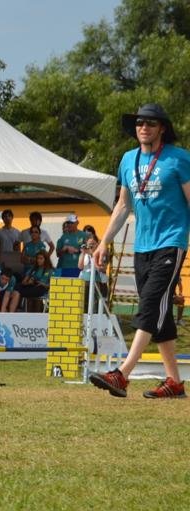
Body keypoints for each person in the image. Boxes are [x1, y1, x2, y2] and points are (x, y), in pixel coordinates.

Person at [90, 103, 190, 398]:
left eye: (150, 123)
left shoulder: (179, 159)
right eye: (139, 123)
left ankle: (122, 374)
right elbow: (123, 205)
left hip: (171, 242)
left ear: (162, 128)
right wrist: (105, 241)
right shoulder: (127, 160)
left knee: (149, 304)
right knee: (162, 314)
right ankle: (174, 382)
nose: (143, 127)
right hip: (142, 246)